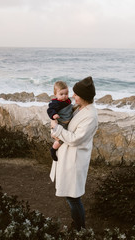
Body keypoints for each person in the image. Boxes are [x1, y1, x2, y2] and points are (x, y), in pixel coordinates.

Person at [49, 76, 98, 231]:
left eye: (76, 95)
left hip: (75, 159)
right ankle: (76, 225)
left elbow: (76, 139)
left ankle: (79, 229)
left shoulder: (90, 116)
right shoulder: (80, 108)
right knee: (70, 195)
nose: (73, 97)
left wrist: (56, 130)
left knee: (73, 197)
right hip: (68, 155)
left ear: (83, 97)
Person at [47, 81, 73, 161]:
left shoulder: (67, 101)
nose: (64, 96)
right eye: (61, 94)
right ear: (55, 94)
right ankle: (53, 149)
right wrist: (54, 115)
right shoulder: (55, 103)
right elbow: (50, 110)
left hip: (67, 121)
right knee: (60, 140)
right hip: (61, 123)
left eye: (66, 94)